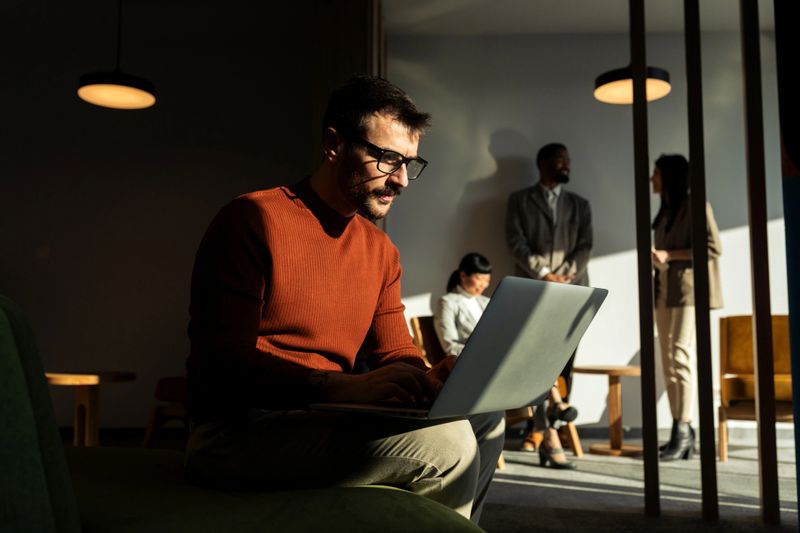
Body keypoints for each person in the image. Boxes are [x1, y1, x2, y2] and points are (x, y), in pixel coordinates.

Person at [184, 75, 504, 523]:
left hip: (326, 415)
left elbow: (395, 352)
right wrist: (335, 386)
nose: (403, 180)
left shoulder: (380, 251)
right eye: (389, 158)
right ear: (334, 144)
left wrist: (433, 382)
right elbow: (223, 362)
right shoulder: (251, 220)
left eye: (411, 163)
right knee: (449, 448)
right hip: (237, 430)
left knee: (485, 420)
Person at [432, 252, 573, 469]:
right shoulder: (448, 302)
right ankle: (555, 410)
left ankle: (550, 425)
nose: (484, 284)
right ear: (463, 275)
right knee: (531, 373)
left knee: (534, 354)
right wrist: (486, 350)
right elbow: (450, 345)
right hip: (474, 365)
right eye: (479, 278)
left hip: (499, 362)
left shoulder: (488, 301)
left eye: (487, 280)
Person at [504, 142, 592, 459]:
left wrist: (564, 275)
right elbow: (515, 240)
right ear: (542, 163)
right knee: (534, 359)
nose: (566, 164)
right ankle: (546, 430)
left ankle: (543, 427)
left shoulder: (580, 205)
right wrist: (543, 273)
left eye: (568, 159)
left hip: (572, 292)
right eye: (559, 159)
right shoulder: (519, 201)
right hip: (534, 289)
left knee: (564, 361)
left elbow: (585, 245)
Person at [650, 154, 723, 461]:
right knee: (668, 360)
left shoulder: (697, 205)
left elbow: (712, 247)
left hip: (688, 292)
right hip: (664, 292)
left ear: (669, 176)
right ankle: (680, 433)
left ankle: (684, 428)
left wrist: (669, 255)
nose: (651, 179)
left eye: (655, 173)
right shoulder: (667, 210)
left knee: (680, 356)